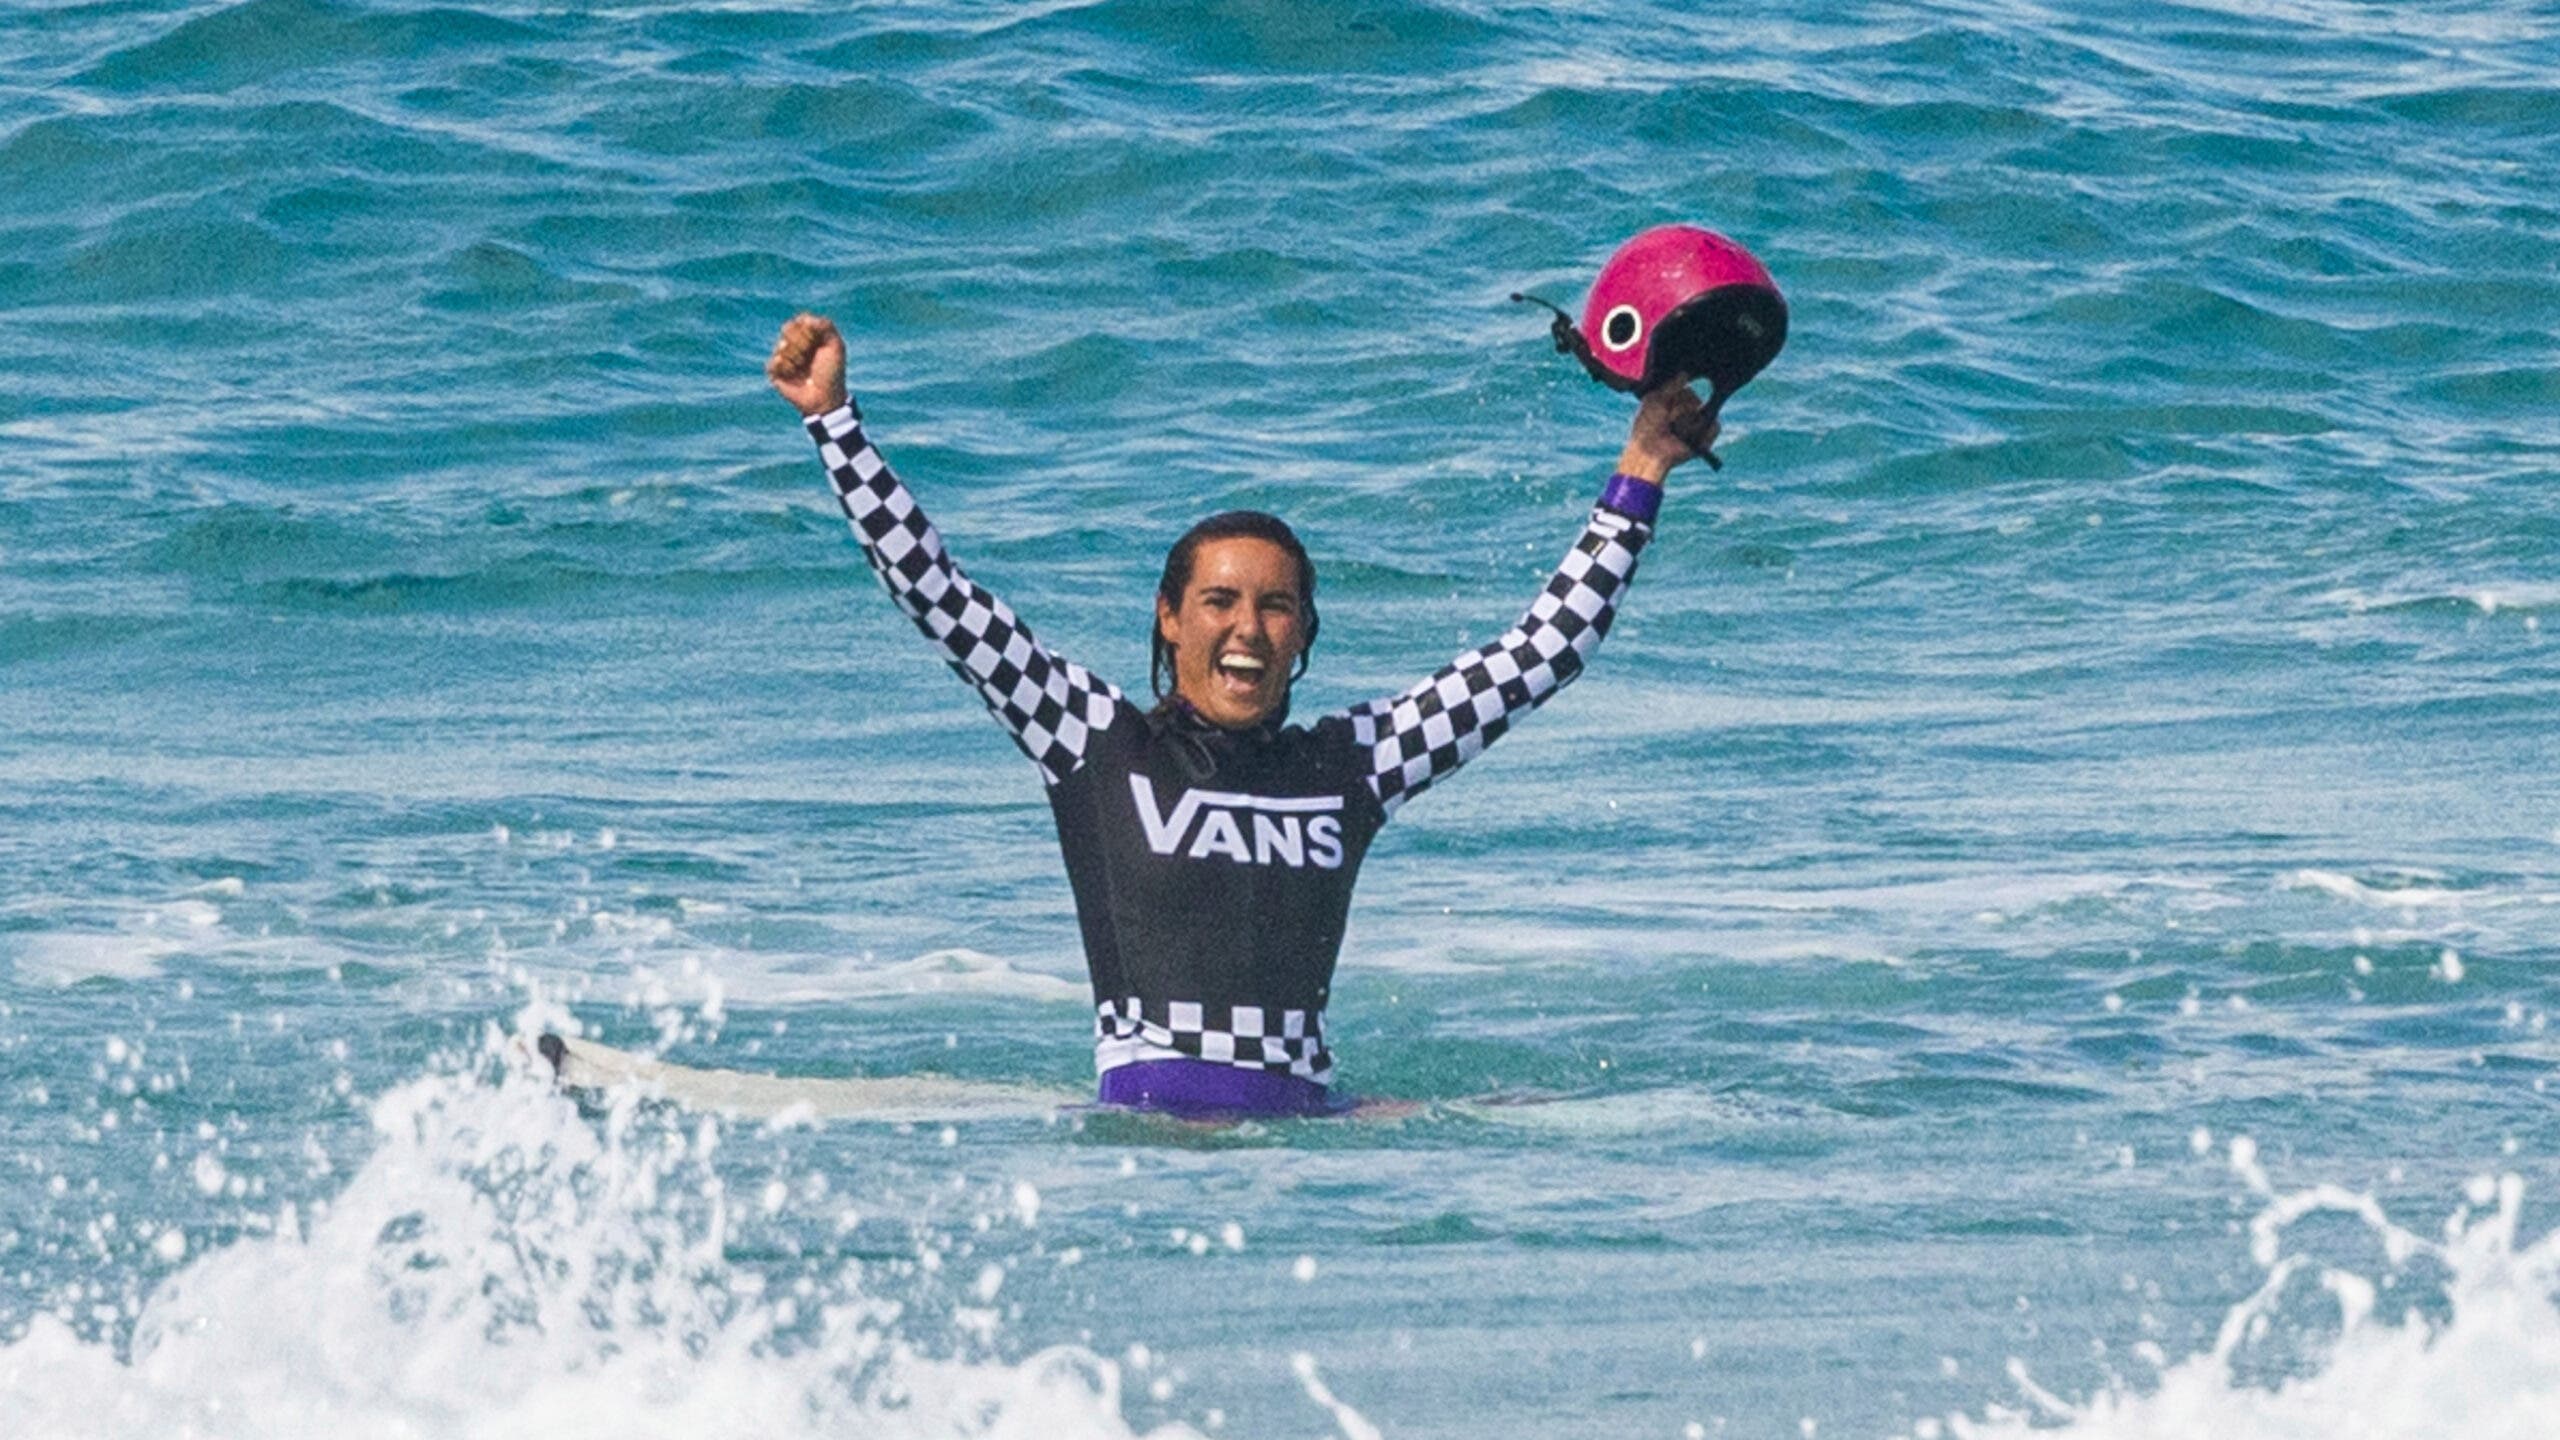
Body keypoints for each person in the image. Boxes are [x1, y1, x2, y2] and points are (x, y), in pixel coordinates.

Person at [767, 313, 1712, 1116]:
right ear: (1170, 620)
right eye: (1219, 602)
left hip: (1312, 1144)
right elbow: (937, 593)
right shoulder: (1096, 741)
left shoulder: (1354, 763)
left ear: (1304, 633)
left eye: (1275, 606)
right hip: (1154, 1139)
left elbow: (1542, 653)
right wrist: (835, 425)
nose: (1246, 631)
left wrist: (1643, 464)